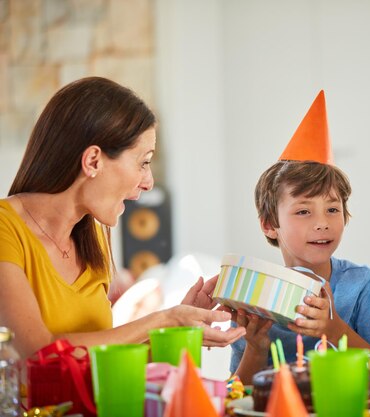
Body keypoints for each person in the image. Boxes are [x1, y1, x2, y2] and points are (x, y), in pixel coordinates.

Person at [0, 77, 246, 359]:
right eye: (143, 162)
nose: (148, 182)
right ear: (93, 161)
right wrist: (163, 320)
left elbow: (106, 359)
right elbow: (40, 354)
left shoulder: (92, 239)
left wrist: (179, 330)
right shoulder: (5, 228)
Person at [230, 91, 370, 384]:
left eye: (332, 209)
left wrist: (333, 330)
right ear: (270, 224)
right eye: (303, 212)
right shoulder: (253, 299)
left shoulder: (362, 285)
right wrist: (255, 349)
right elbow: (236, 395)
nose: (322, 223)